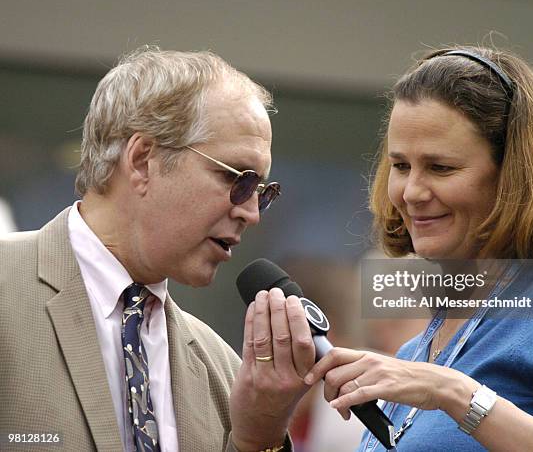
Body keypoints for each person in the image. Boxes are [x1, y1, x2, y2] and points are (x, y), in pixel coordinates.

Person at [0, 48, 315, 452]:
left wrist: (259, 440)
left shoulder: (221, 368)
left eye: (261, 191)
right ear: (143, 159)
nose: (251, 212)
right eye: (237, 178)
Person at [305, 46, 533, 450]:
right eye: (401, 166)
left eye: (441, 167)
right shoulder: (414, 352)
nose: (411, 192)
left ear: (513, 177)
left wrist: (456, 395)